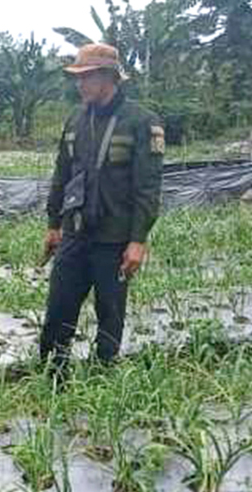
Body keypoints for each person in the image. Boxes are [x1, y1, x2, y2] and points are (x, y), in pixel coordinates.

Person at [39, 43, 164, 375]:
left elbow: (148, 188)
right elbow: (62, 173)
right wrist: (54, 224)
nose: (79, 85)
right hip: (76, 233)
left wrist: (138, 241)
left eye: (86, 78)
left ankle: (103, 377)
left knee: (110, 313)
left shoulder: (140, 121)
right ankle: (54, 376)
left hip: (115, 239)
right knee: (58, 310)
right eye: (77, 78)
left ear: (108, 77)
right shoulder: (76, 118)